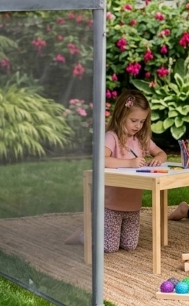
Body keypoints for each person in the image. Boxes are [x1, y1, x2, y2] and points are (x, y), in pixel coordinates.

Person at [65, 90, 166, 251]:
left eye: (142, 121)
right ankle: (84, 234)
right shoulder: (111, 137)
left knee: (130, 246)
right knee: (109, 247)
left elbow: (161, 153)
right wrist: (129, 162)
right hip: (112, 205)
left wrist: (158, 159)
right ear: (121, 115)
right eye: (134, 120)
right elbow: (101, 160)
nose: (138, 126)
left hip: (133, 205)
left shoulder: (141, 139)